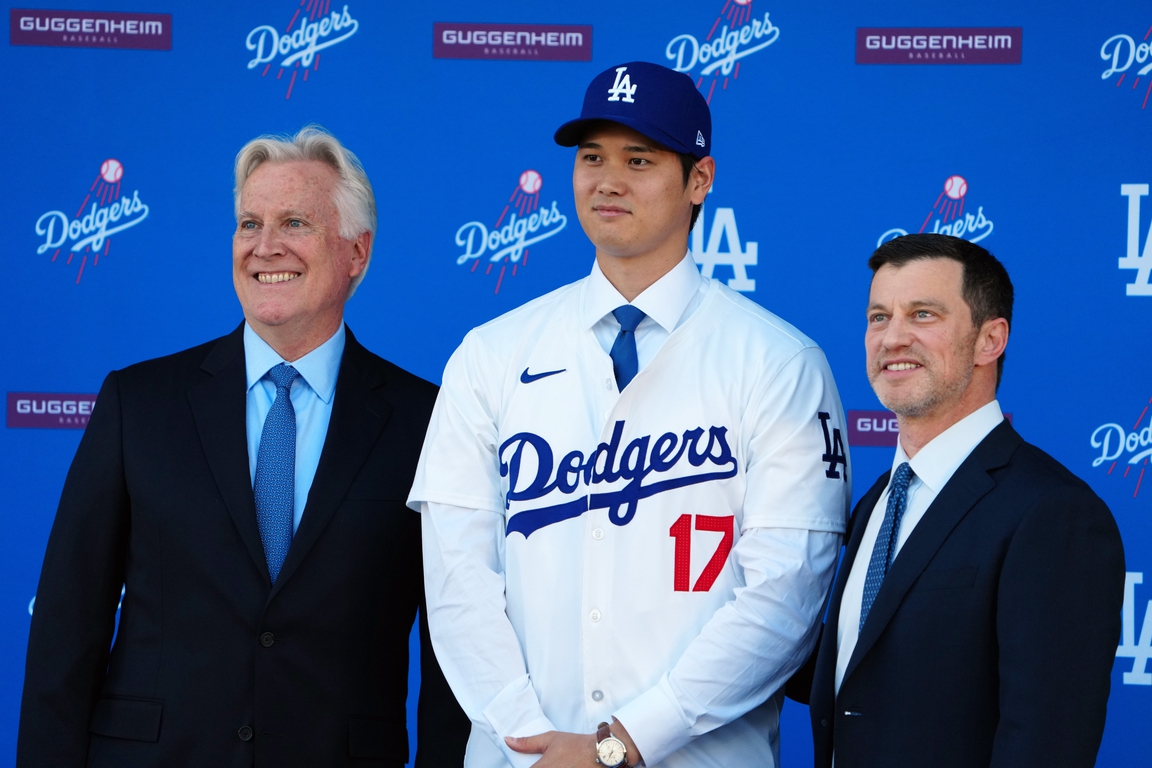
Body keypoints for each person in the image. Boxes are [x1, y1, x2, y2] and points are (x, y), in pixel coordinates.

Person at [408, 61, 851, 768]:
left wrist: (626, 740)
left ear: (699, 180)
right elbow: (457, 583)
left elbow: (785, 597)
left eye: (638, 159)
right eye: (591, 158)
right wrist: (535, 746)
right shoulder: (489, 355)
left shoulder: (779, 363)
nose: (606, 181)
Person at [17, 126, 468, 767]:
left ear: (357, 252)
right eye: (248, 223)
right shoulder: (138, 404)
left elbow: (455, 648)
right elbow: (67, 625)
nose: (265, 246)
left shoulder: (427, 420)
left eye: (294, 222)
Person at [800, 233, 1125, 767]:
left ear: (989, 340)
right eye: (879, 317)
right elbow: (858, 678)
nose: (893, 337)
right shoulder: (875, 502)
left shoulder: (1053, 514)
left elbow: (1046, 744)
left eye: (923, 314)